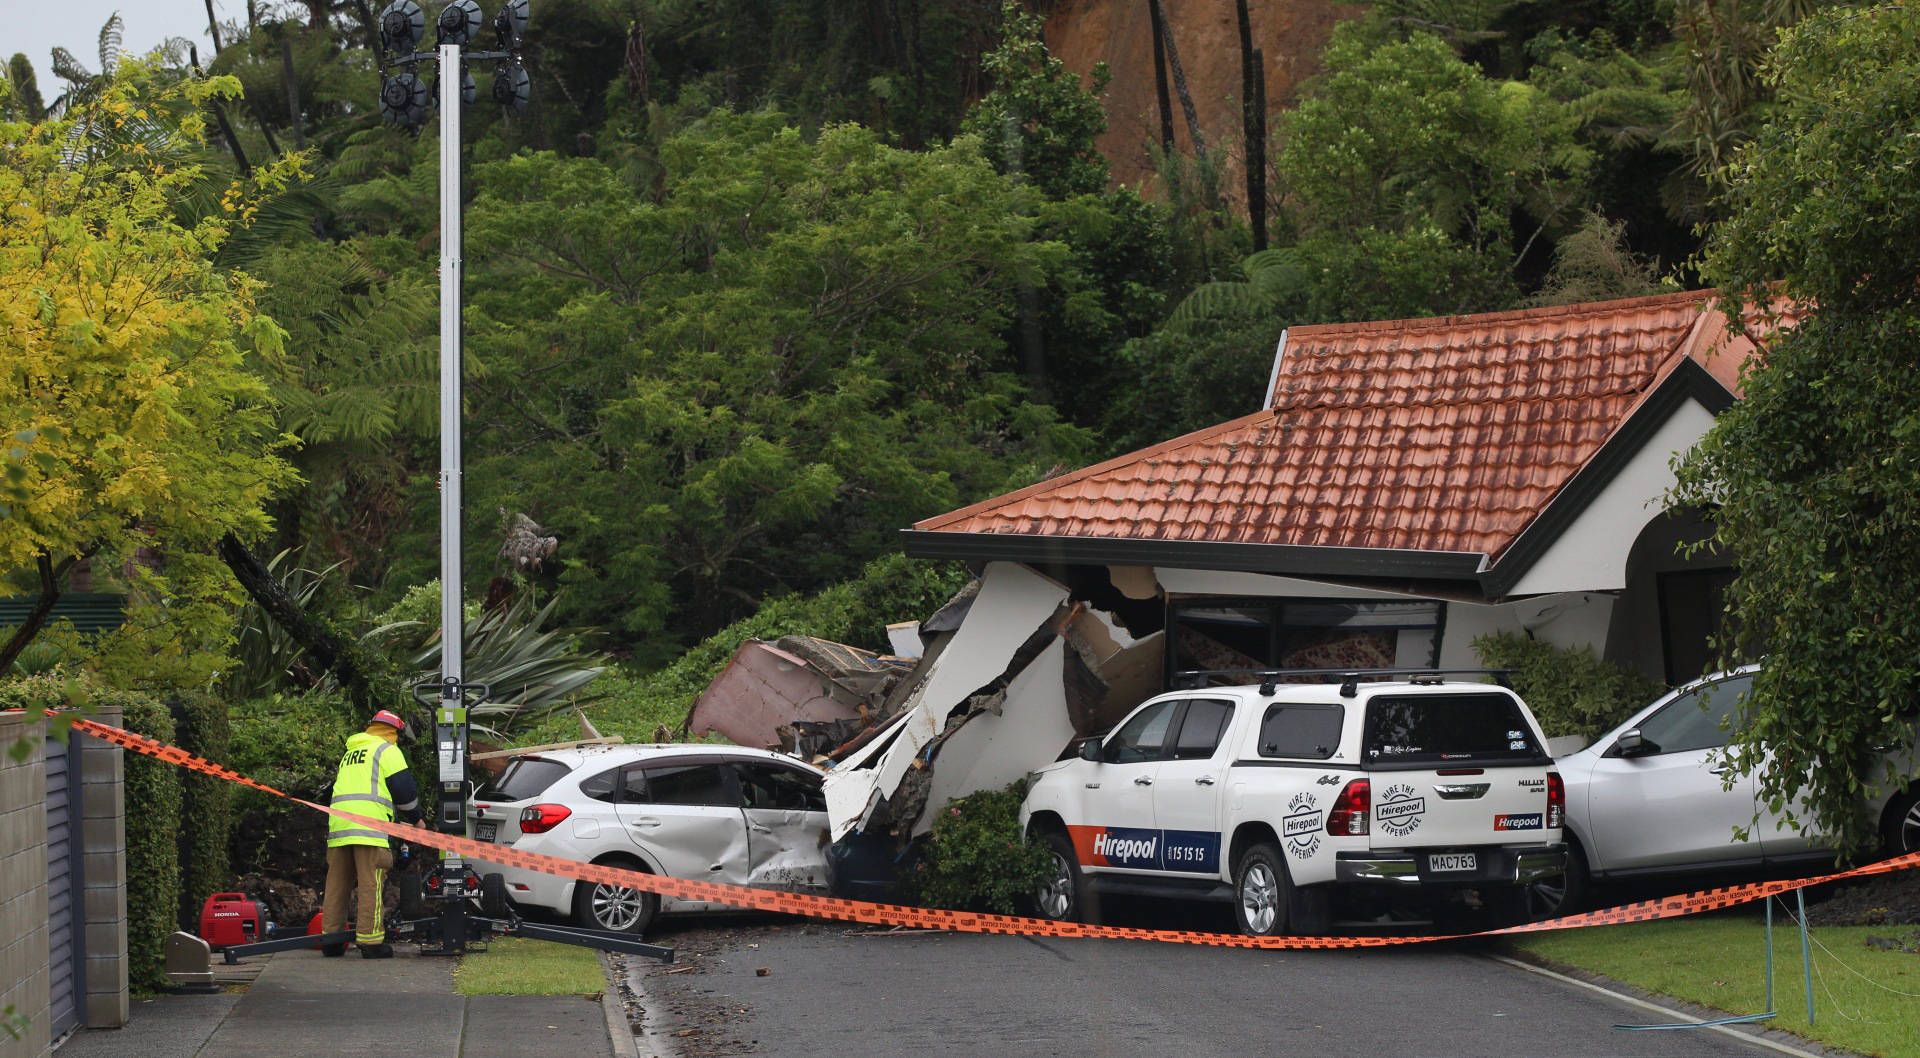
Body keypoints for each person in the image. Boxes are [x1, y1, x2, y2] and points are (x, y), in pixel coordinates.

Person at [321, 708, 420, 958]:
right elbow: (404, 791)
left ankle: (331, 940)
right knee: (370, 883)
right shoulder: (387, 750)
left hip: (340, 827)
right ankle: (370, 941)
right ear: (393, 732)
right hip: (369, 829)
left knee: (336, 885)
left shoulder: (352, 752)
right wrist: (417, 820)